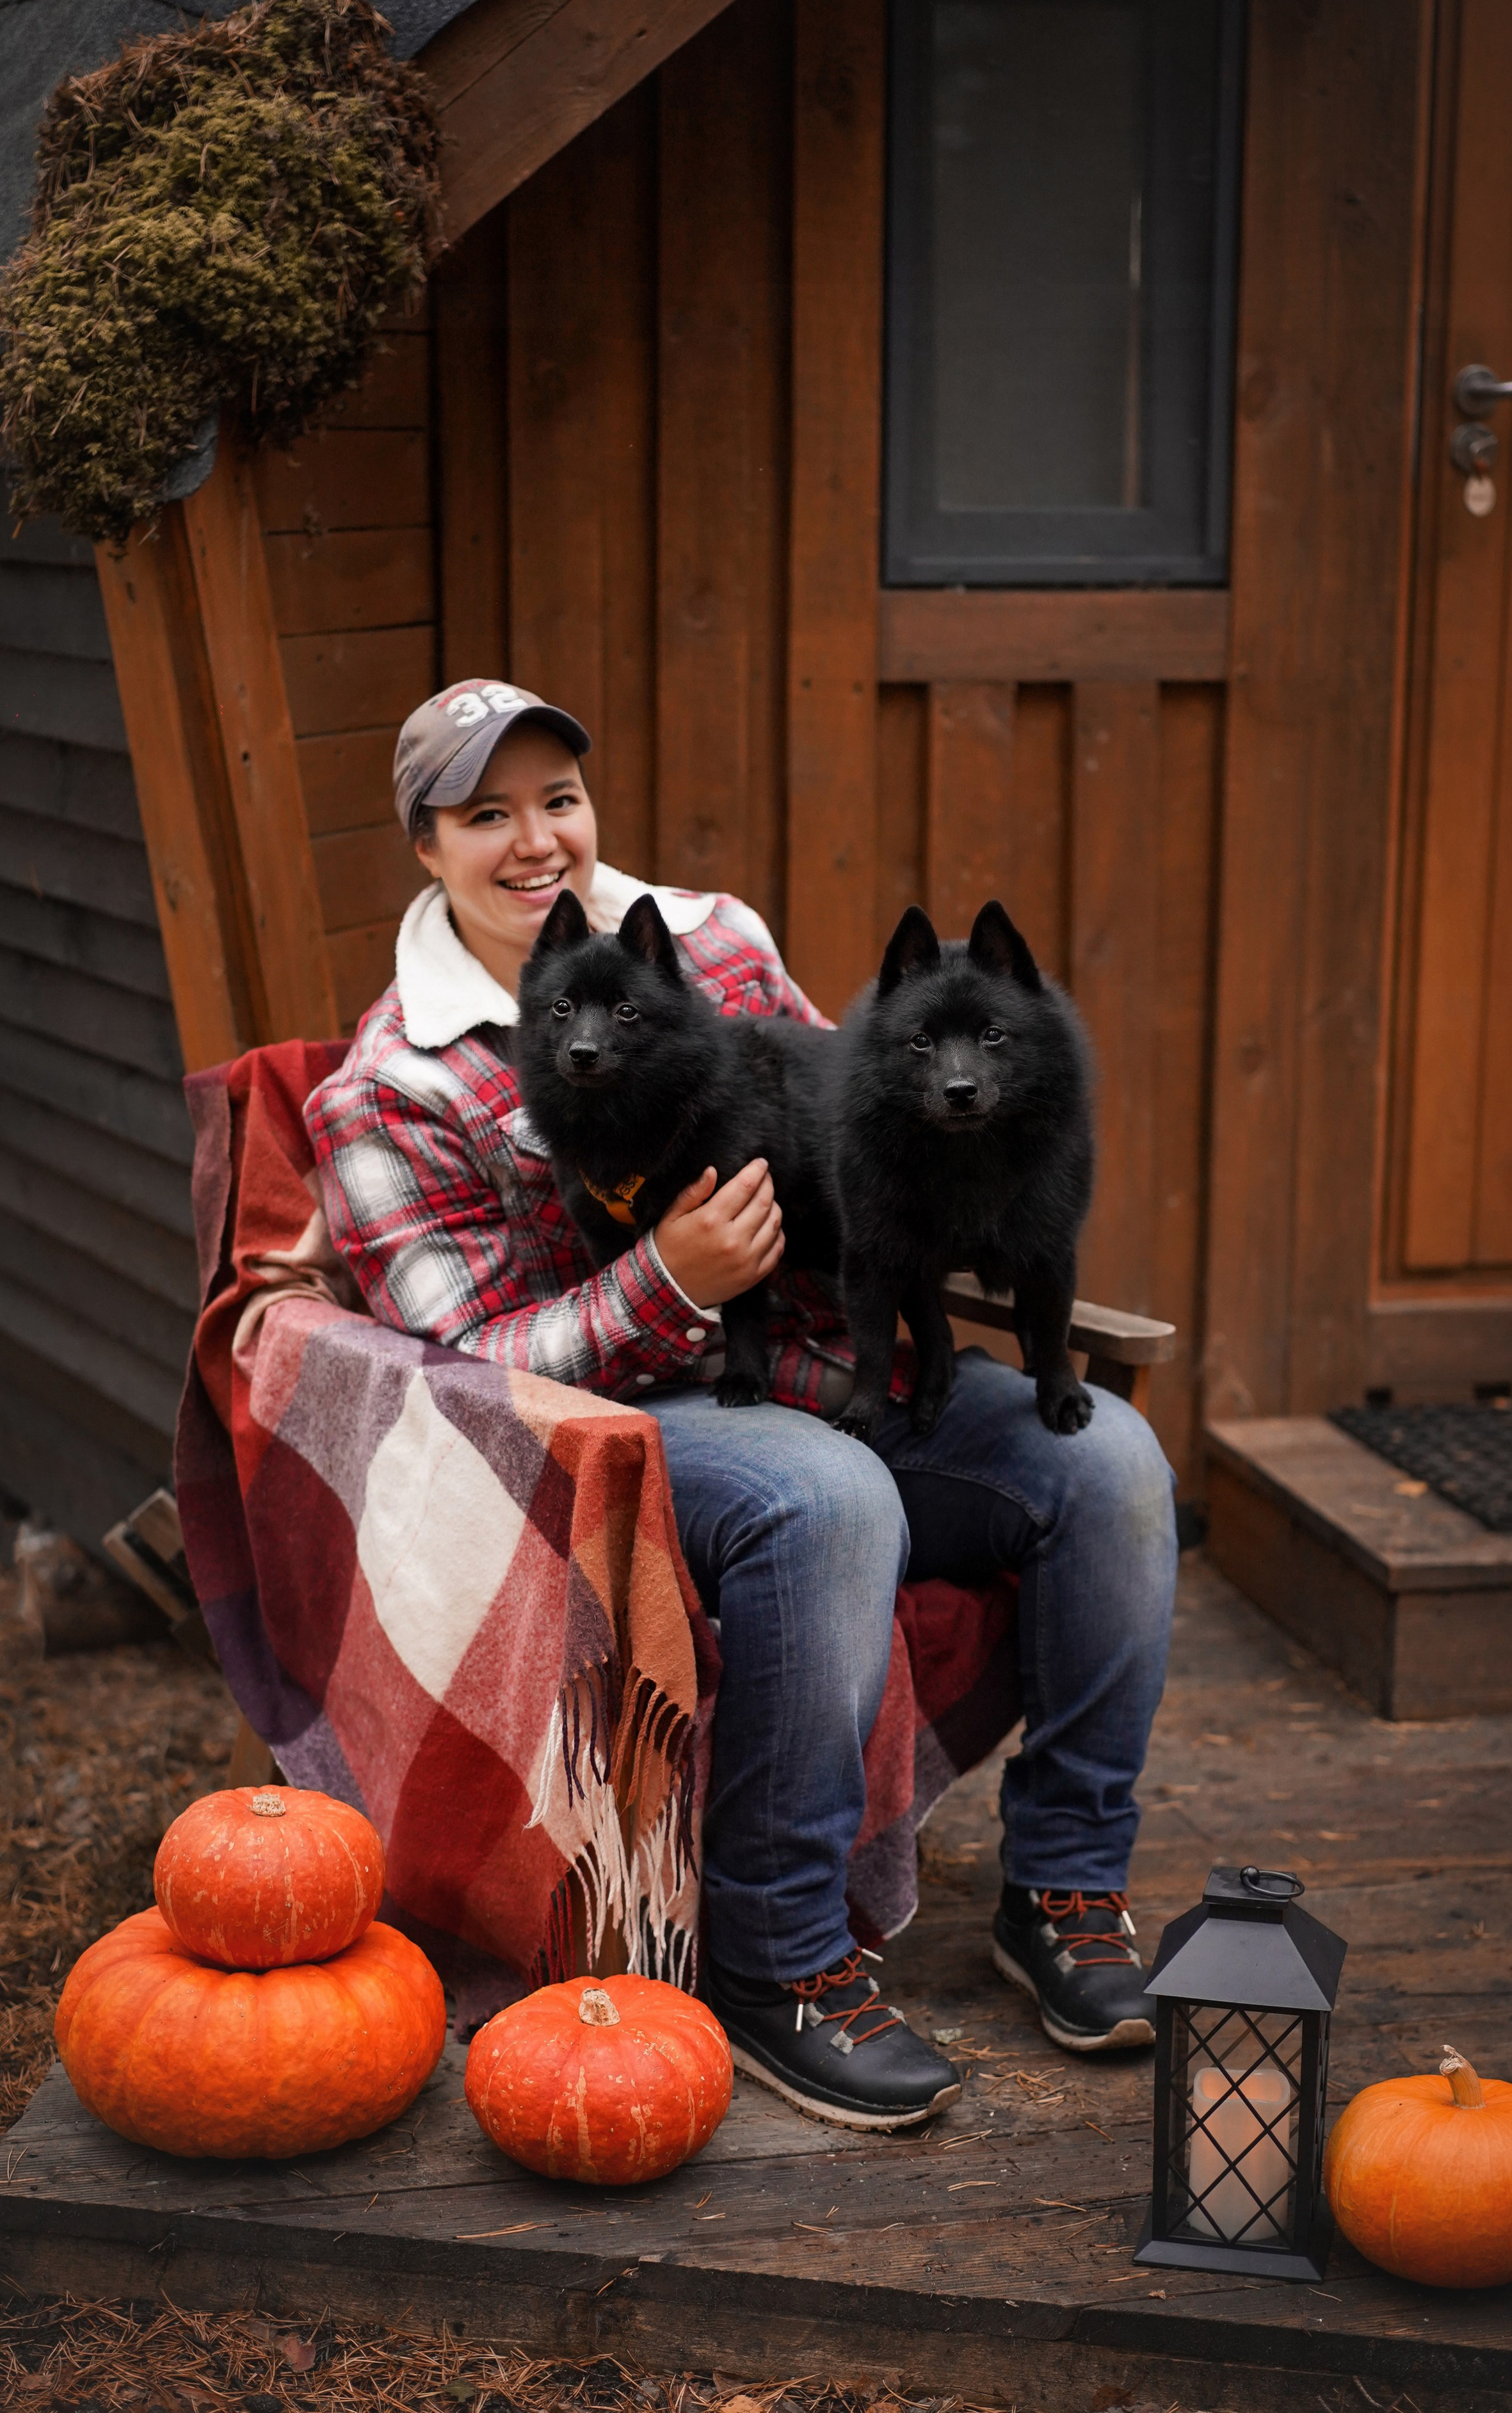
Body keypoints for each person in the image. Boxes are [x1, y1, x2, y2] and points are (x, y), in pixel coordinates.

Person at [306, 677, 1178, 2132]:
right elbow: (469, 1368)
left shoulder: (713, 942)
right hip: (631, 1434)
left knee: (1114, 1464)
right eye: (484, 816)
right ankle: (777, 1958)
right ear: (424, 847)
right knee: (822, 1498)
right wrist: (668, 1275)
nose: (536, 842)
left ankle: (1065, 1890)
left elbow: (869, 1120)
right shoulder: (392, 1085)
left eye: (558, 802)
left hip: (840, 1359)